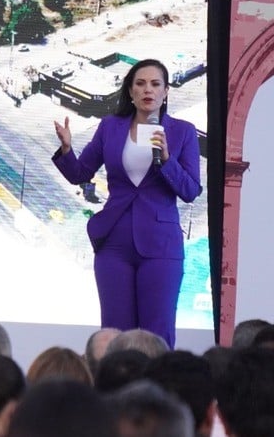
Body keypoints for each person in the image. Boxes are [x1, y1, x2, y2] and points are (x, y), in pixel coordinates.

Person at [52, 58, 202, 347]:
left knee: (156, 336)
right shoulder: (110, 127)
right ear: (131, 92)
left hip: (160, 246)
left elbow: (190, 190)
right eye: (140, 84)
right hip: (114, 244)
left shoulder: (183, 131)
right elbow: (79, 173)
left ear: (166, 92)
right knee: (114, 337)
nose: (148, 90)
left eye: (155, 84)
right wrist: (67, 148)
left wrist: (167, 159)